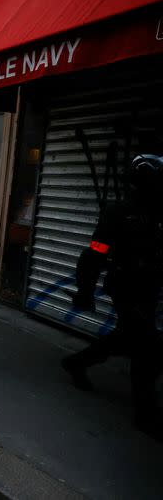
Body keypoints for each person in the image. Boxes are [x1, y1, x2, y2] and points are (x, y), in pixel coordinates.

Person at [62, 154, 163, 440]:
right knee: (147, 348)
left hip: (148, 287)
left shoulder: (157, 213)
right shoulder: (118, 213)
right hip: (126, 286)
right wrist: (85, 289)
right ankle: (146, 413)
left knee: (127, 337)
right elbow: (95, 252)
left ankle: (78, 362)